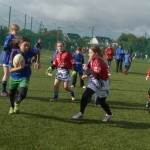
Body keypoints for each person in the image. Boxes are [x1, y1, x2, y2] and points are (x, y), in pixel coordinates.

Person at [72, 45, 113, 122]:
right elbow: (94, 73)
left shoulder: (98, 60)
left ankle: (109, 114)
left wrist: (87, 70)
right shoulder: (92, 60)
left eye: (90, 53)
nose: (88, 54)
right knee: (85, 95)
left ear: (96, 54)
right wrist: (87, 75)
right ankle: (81, 113)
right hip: (96, 81)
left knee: (101, 102)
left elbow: (96, 74)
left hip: (103, 83)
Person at [8, 36, 41, 114]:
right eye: (25, 45)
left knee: (23, 94)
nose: (27, 47)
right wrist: (20, 67)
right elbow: (10, 70)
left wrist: (37, 62)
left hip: (25, 76)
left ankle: (17, 102)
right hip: (14, 76)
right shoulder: (14, 52)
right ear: (19, 44)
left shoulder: (30, 51)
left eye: (28, 45)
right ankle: (11, 108)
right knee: (11, 94)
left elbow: (38, 52)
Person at [0, 24, 20, 96]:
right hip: (6, 58)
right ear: (11, 30)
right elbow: (5, 47)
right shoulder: (9, 37)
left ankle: (13, 90)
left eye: (18, 30)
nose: (17, 31)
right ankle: (3, 91)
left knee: (11, 74)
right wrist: (13, 45)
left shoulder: (14, 37)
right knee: (7, 74)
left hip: (10, 58)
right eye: (15, 30)